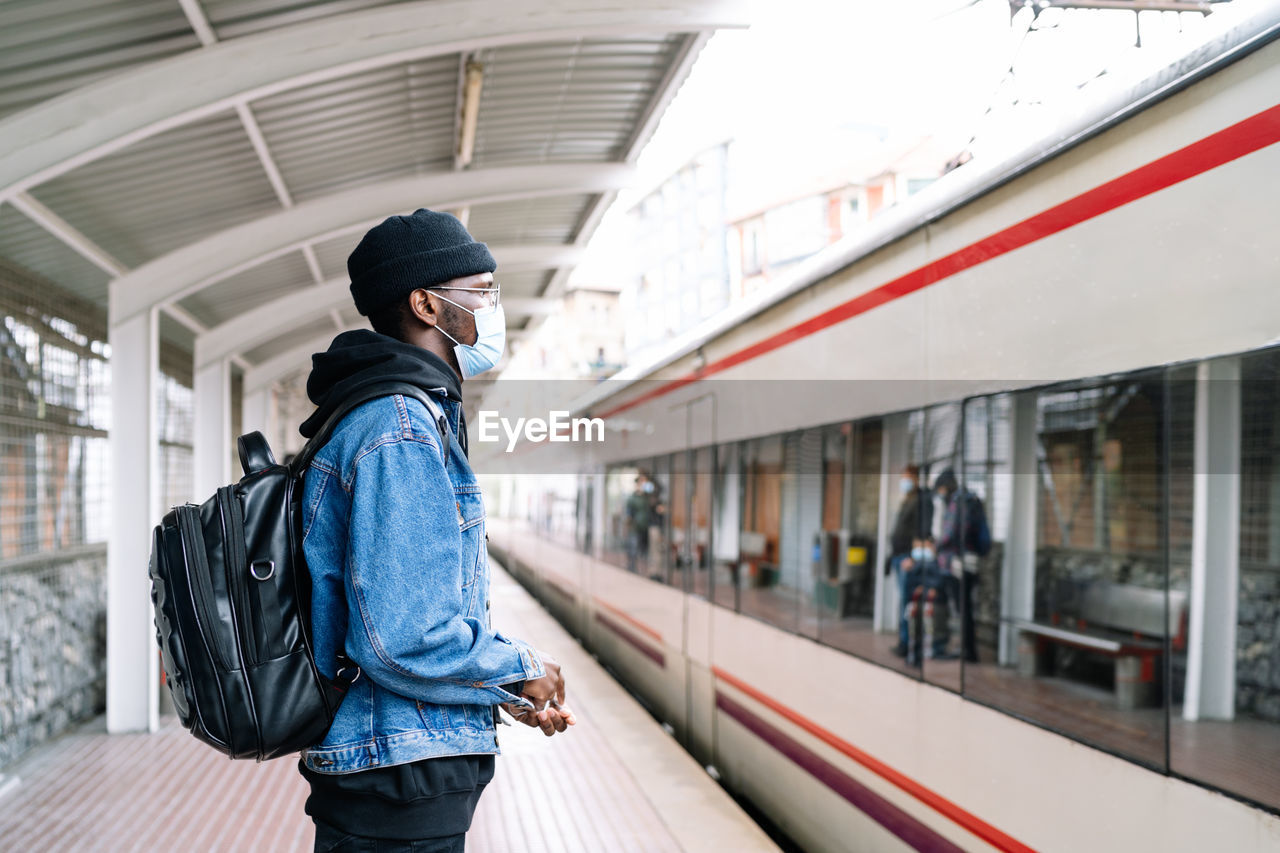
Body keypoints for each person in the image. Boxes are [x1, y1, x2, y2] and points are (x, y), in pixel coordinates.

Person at [296, 209, 575, 852]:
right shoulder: (399, 427)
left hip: (399, 763)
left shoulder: (400, 414)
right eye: (480, 292)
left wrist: (491, 689)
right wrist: (519, 667)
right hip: (397, 775)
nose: (491, 308)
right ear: (426, 303)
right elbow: (402, 639)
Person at [933, 467, 983, 663]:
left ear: (946, 486)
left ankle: (968, 651)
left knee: (962, 610)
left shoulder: (957, 502)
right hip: (970, 561)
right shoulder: (971, 499)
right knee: (967, 609)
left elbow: (950, 534)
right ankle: (968, 649)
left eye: (941, 489)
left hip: (957, 564)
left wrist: (935, 545)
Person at [889, 465, 933, 657]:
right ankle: (904, 642)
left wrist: (912, 557)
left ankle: (909, 644)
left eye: (907, 477)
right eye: (903, 478)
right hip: (900, 557)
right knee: (905, 602)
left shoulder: (922, 501)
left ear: (916, 478)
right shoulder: (908, 500)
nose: (904, 481)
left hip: (909, 558)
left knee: (909, 603)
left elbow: (923, 531)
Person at [898, 536, 952, 664]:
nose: (920, 550)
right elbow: (913, 582)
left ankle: (937, 649)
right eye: (916, 547)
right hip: (918, 603)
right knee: (916, 629)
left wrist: (929, 588)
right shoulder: (917, 563)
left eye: (923, 546)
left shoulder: (939, 561)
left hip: (935, 603)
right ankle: (914, 655)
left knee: (935, 628)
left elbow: (939, 580)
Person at [625, 472, 653, 574]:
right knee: (634, 547)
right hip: (636, 526)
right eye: (641, 481)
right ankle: (632, 567)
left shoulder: (648, 497)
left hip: (646, 526)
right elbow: (629, 513)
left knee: (645, 550)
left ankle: (645, 570)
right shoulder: (632, 498)